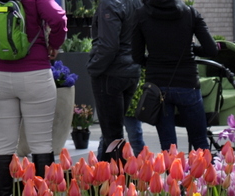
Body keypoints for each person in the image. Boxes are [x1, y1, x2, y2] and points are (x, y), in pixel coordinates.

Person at [0, 0, 67, 196]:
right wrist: (54, 44)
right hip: (35, 73)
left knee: (3, 143)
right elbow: (57, 18)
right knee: (41, 143)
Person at [132, 0, 218, 151]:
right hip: (188, 82)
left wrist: (154, 63)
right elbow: (211, 49)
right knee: (200, 142)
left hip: (158, 87)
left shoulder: (141, 15)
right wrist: (191, 49)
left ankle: (172, 167)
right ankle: (204, 167)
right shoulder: (190, 13)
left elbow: (136, 56)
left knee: (168, 146)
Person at [88, 0, 143, 162]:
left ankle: (119, 173)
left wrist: (93, 67)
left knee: (112, 134)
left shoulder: (110, 4)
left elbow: (109, 46)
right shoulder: (136, 2)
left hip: (111, 72)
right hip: (130, 70)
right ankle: (106, 171)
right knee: (112, 132)